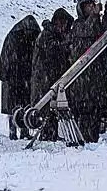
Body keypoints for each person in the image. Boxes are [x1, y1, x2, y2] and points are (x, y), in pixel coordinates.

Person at [66, 0, 107, 143]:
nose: (91, 9)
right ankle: (84, 137)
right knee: (85, 108)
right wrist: (94, 16)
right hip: (83, 77)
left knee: (95, 109)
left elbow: (103, 32)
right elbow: (88, 32)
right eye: (88, 7)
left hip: (97, 75)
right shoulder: (78, 25)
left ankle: (93, 136)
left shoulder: (94, 23)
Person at [29, 8, 74, 141]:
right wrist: (67, 44)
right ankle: (46, 133)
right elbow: (53, 51)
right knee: (46, 107)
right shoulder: (47, 35)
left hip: (49, 78)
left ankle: (51, 133)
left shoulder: (52, 35)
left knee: (52, 106)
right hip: (44, 78)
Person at [0, 15, 40, 140]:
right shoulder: (23, 36)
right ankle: (17, 130)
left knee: (19, 104)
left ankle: (21, 130)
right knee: (19, 104)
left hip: (19, 76)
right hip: (18, 76)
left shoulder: (14, 36)